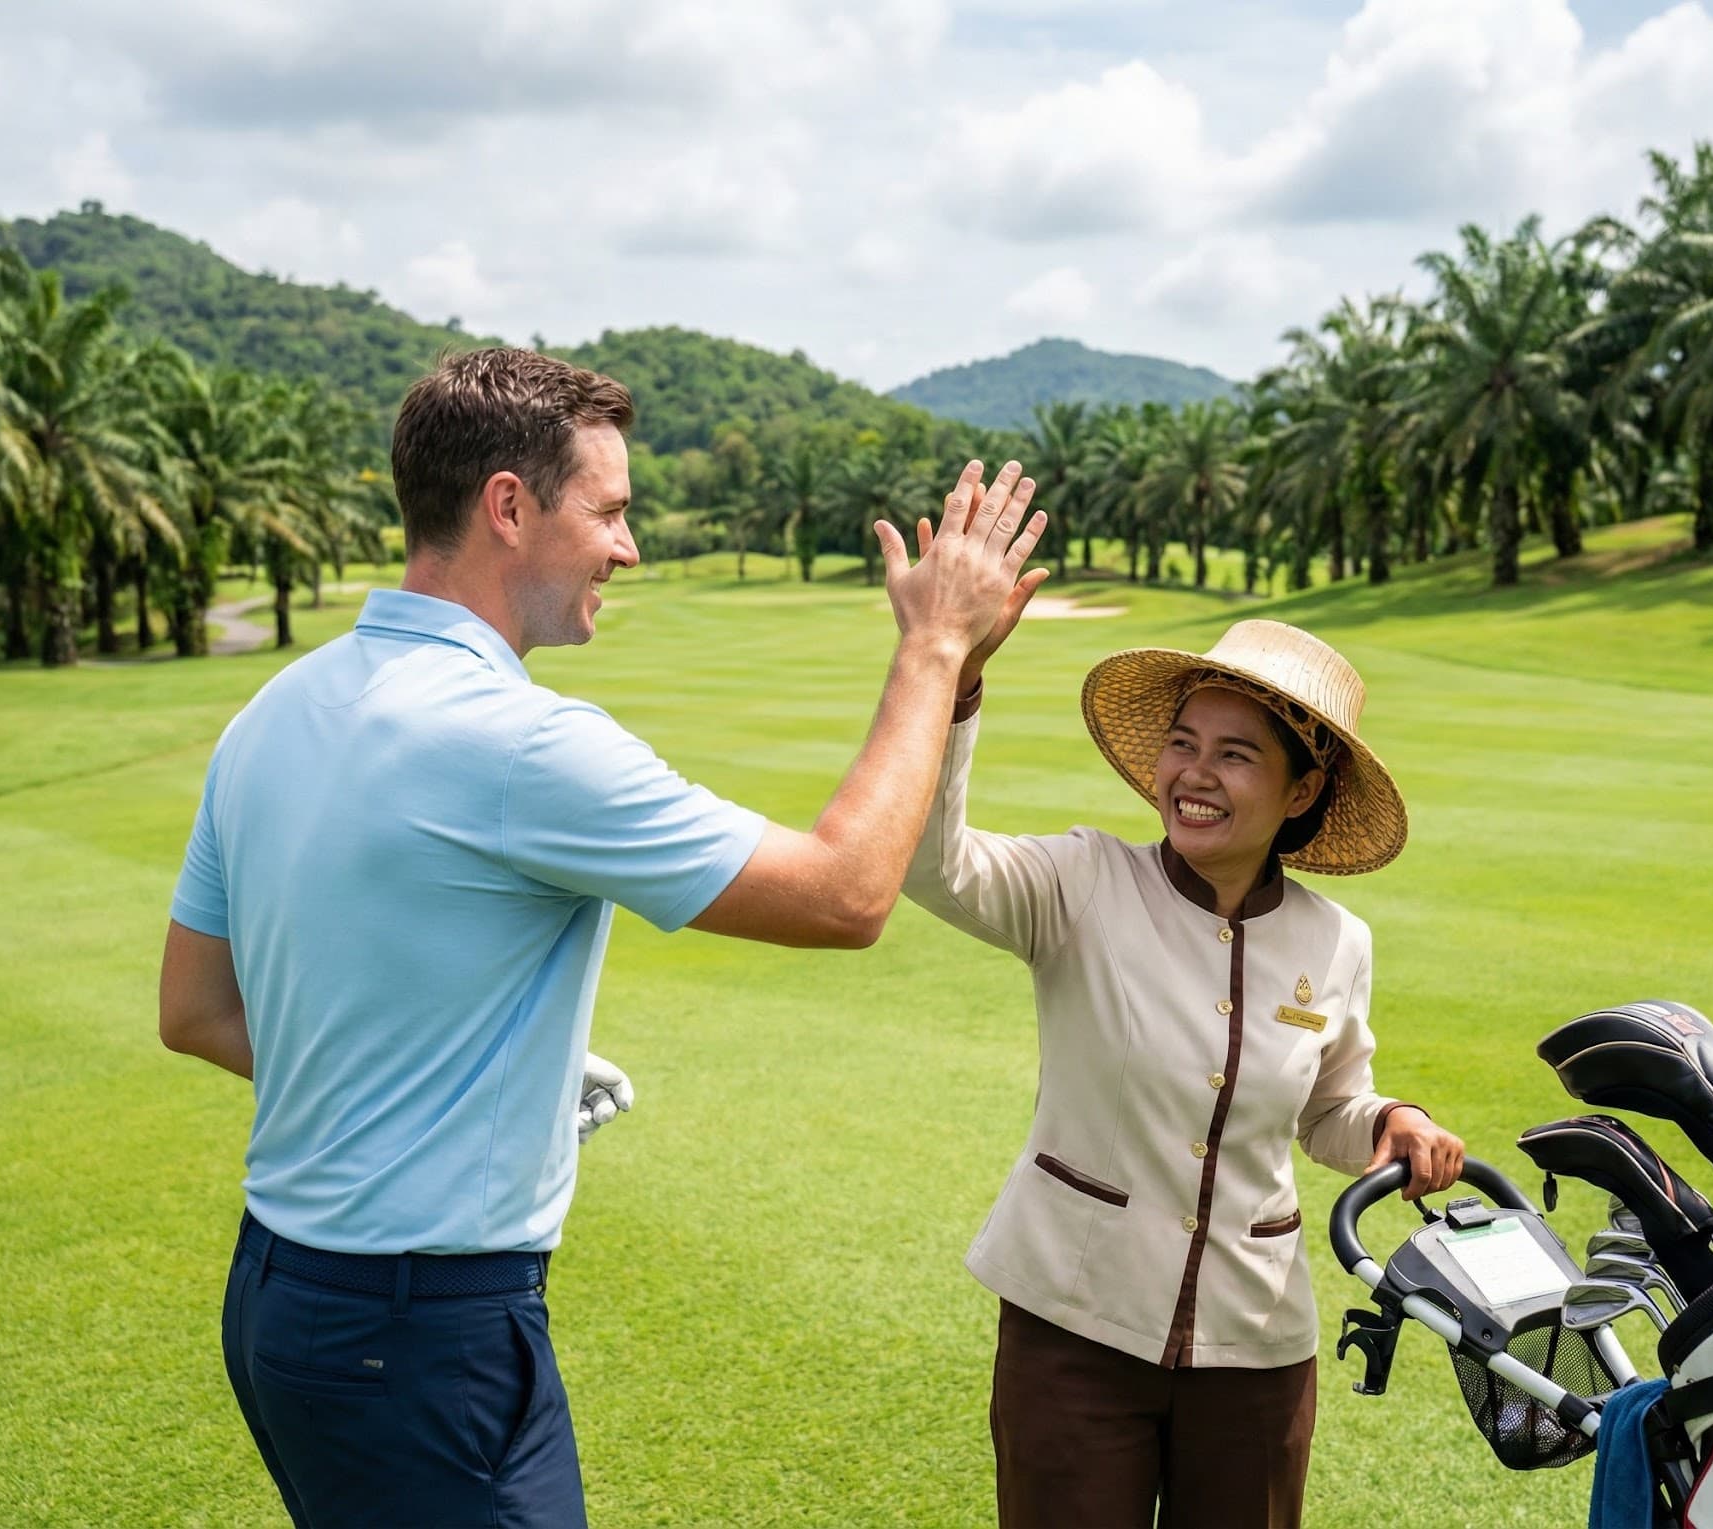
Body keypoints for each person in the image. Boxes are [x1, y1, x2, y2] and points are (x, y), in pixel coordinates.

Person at [156, 346, 1046, 1529]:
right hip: (424, 1332)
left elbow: (198, 1011)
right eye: (610, 511)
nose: (627, 547)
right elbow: (844, 895)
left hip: (280, 1301)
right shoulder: (522, 742)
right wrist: (935, 646)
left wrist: (456, 1073)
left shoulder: (273, 709)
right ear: (509, 507)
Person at [903, 609, 1465, 1529]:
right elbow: (932, 863)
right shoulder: (1082, 882)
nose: (1194, 774)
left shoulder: (1337, 939)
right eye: (1181, 743)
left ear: (1301, 790)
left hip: (1258, 1343)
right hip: (1073, 1328)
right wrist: (953, 680)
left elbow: (1329, 1107)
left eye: (1236, 754)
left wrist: (1388, 1119)